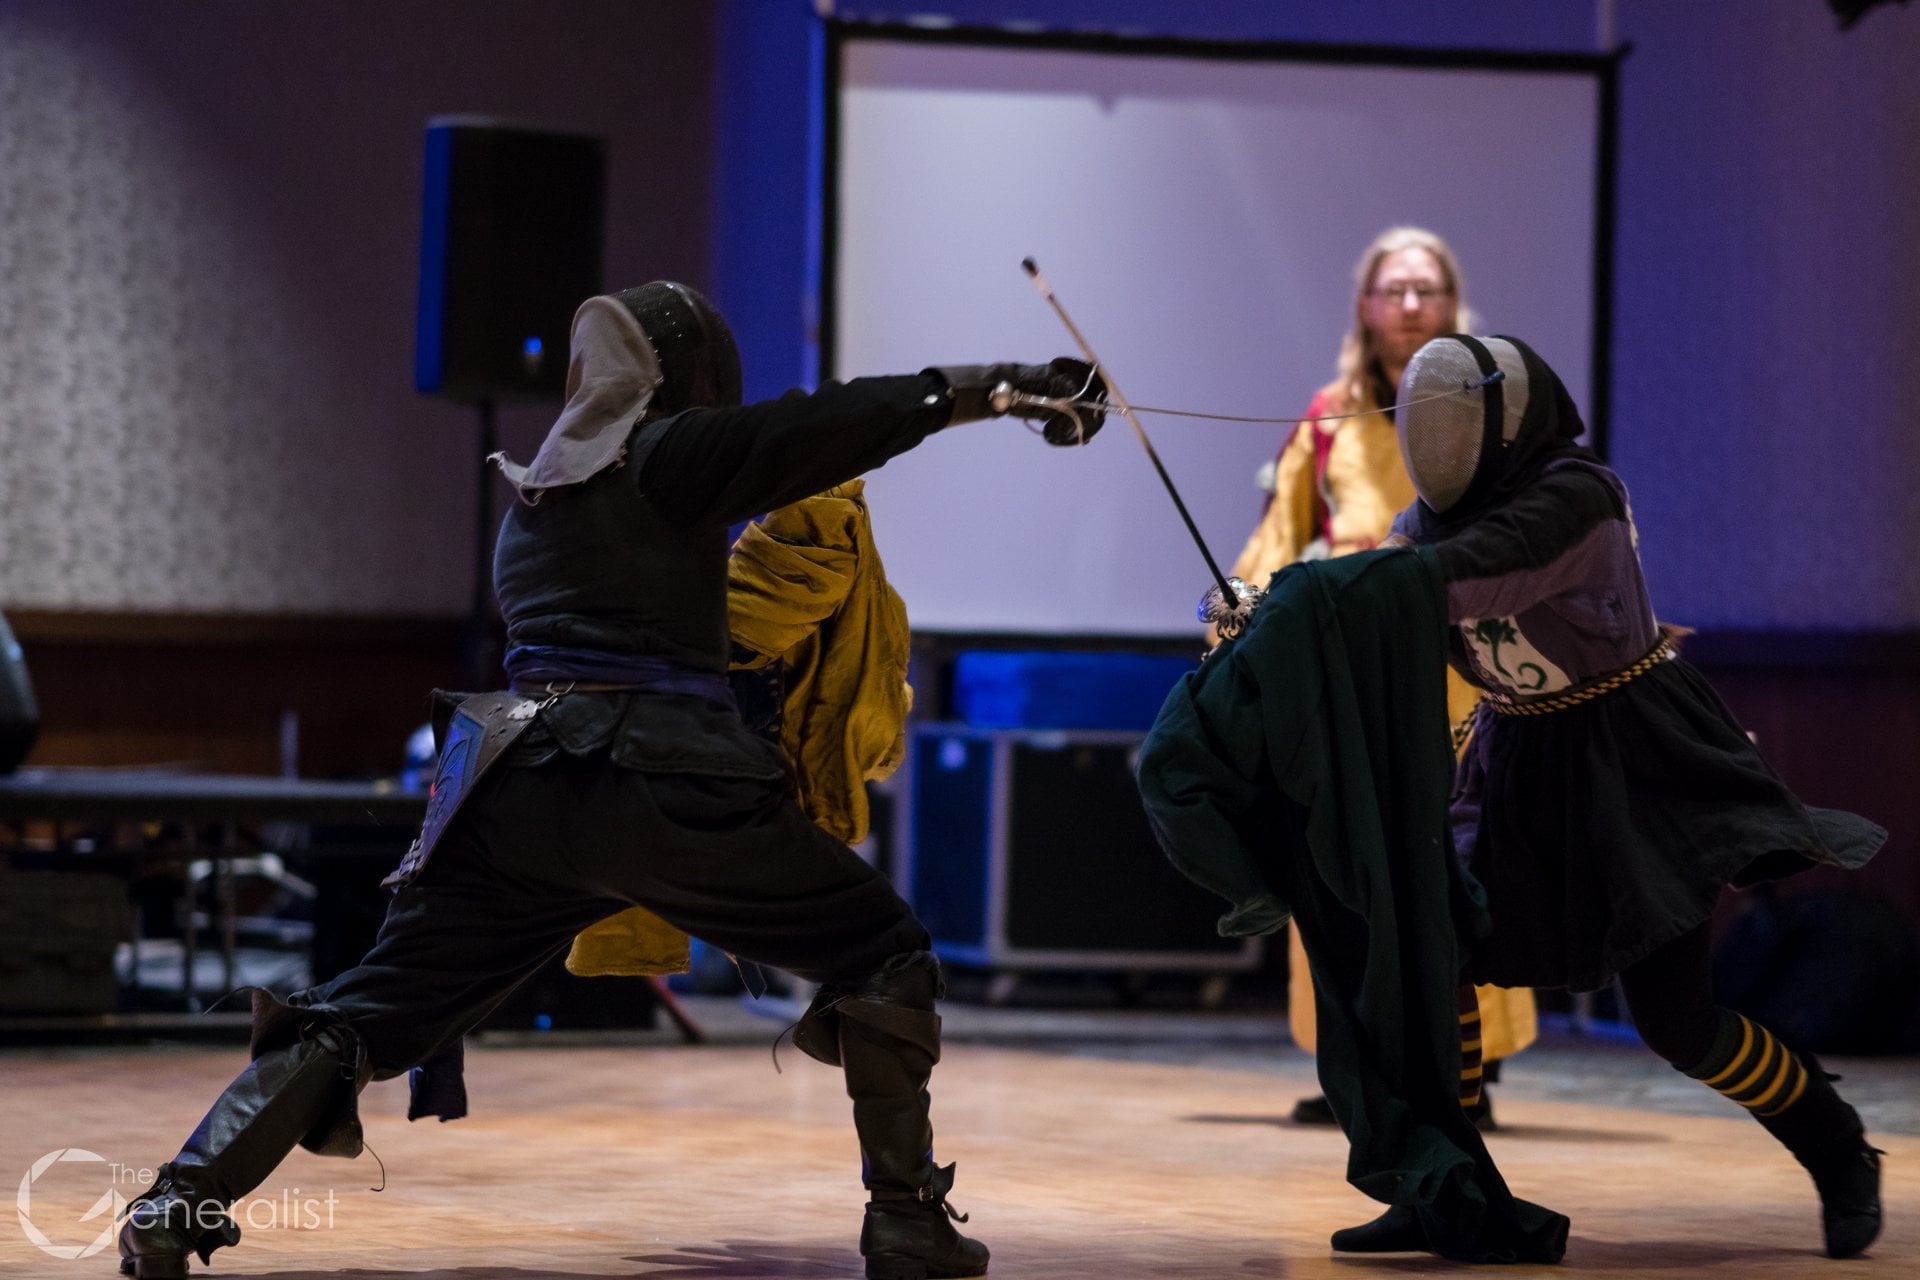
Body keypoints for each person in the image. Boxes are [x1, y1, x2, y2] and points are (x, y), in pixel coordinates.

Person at [113, 282, 1104, 1280]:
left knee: (366, 1011)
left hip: (513, 789)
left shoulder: (537, 496)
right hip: (657, 779)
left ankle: (175, 1202)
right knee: (886, 952)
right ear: (684, 374)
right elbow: (832, 423)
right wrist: (1010, 390)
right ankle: (905, 1220)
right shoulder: (668, 455)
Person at [1357, 333, 1887, 1259]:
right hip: (1516, 763)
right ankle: (1445, 1184)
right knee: (1434, 952)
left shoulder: (1576, 499)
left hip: (1632, 765)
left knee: (1679, 1023)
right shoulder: (1422, 534)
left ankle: (1839, 1147)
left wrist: (1333, 594)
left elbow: (1479, 571)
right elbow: (1404, 604)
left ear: (1503, 423)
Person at [1226, 227, 1536, 1127]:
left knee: (1461, 859)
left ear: (1453, 304)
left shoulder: (1489, 417)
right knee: (1338, 861)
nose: (1410, 306)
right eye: (1394, 290)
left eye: (1427, 290)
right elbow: (1275, 541)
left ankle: (1461, 1063)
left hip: (1460, 680)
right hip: (1346, 685)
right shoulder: (1326, 418)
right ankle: (1359, 1058)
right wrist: (1237, 611)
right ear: (1365, 306)